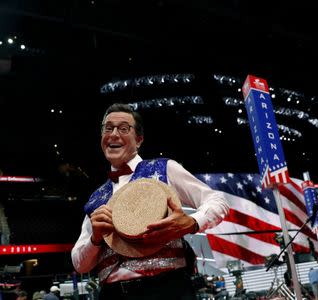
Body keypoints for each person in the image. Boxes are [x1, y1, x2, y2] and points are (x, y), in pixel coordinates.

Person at [71, 103, 229, 299]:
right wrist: (95, 240)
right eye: (108, 128)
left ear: (139, 140)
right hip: (111, 294)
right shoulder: (96, 198)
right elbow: (79, 264)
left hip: (167, 289)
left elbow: (217, 200)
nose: (113, 134)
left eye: (123, 128)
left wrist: (192, 222)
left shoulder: (165, 168)